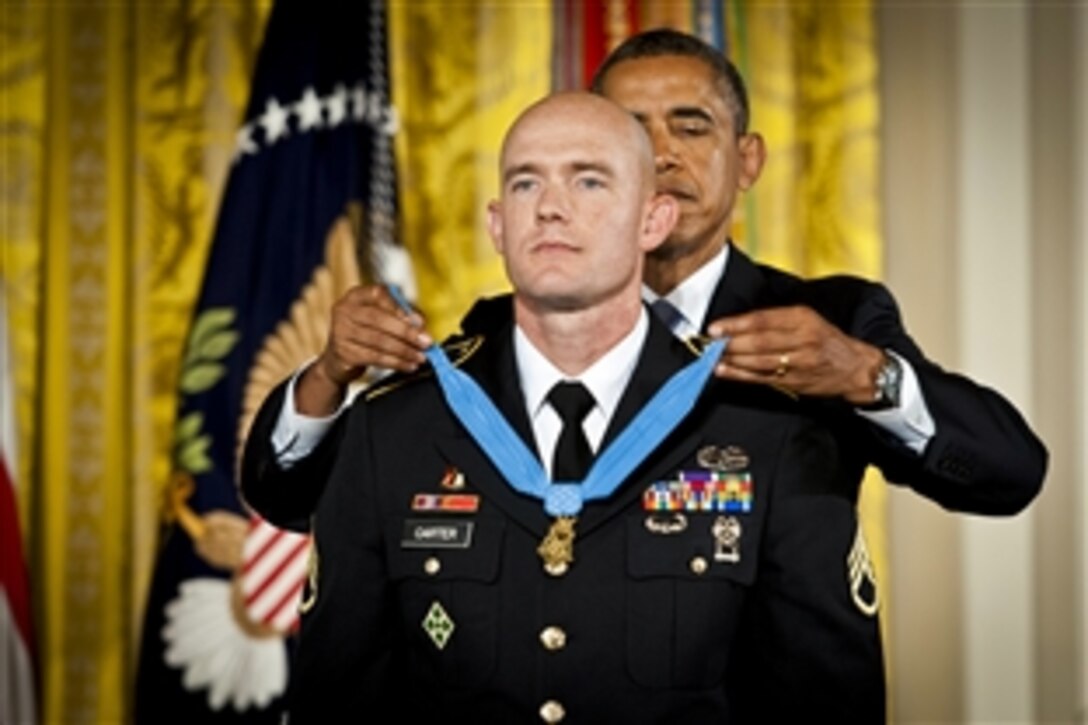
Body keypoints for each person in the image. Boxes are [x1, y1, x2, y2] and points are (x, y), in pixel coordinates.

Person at [241, 28, 1045, 531]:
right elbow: (295, 501)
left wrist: (870, 377)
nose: (661, 155)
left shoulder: (826, 318)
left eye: (691, 127)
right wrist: (328, 375)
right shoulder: (500, 329)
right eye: (631, 133)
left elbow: (1011, 474)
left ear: (748, 159)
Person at [287, 91, 883, 722]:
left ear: (652, 222)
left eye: (589, 181)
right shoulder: (392, 430)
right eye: (525, 184)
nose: (549, 208)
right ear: (497, 226)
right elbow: (335, 699)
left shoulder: (769, 429)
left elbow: (827, 705)